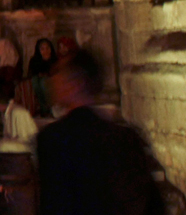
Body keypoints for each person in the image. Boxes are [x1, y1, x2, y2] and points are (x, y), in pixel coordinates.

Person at [36, 49, 163, 215]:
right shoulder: (125, 137)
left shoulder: (53, 139)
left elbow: (55, 206)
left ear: (76, 84)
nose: (52, 81)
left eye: (58, 74)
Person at [27, 38, 56, 117]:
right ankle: (43, 108)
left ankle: (48, 108)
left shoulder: (54, 59)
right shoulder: (35, 60)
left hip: (51, 79)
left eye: (47, 48)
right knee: (35, 81)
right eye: (42, 49)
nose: (45, 51)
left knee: (44, 82)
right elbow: (32, 72)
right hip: (38, 79)